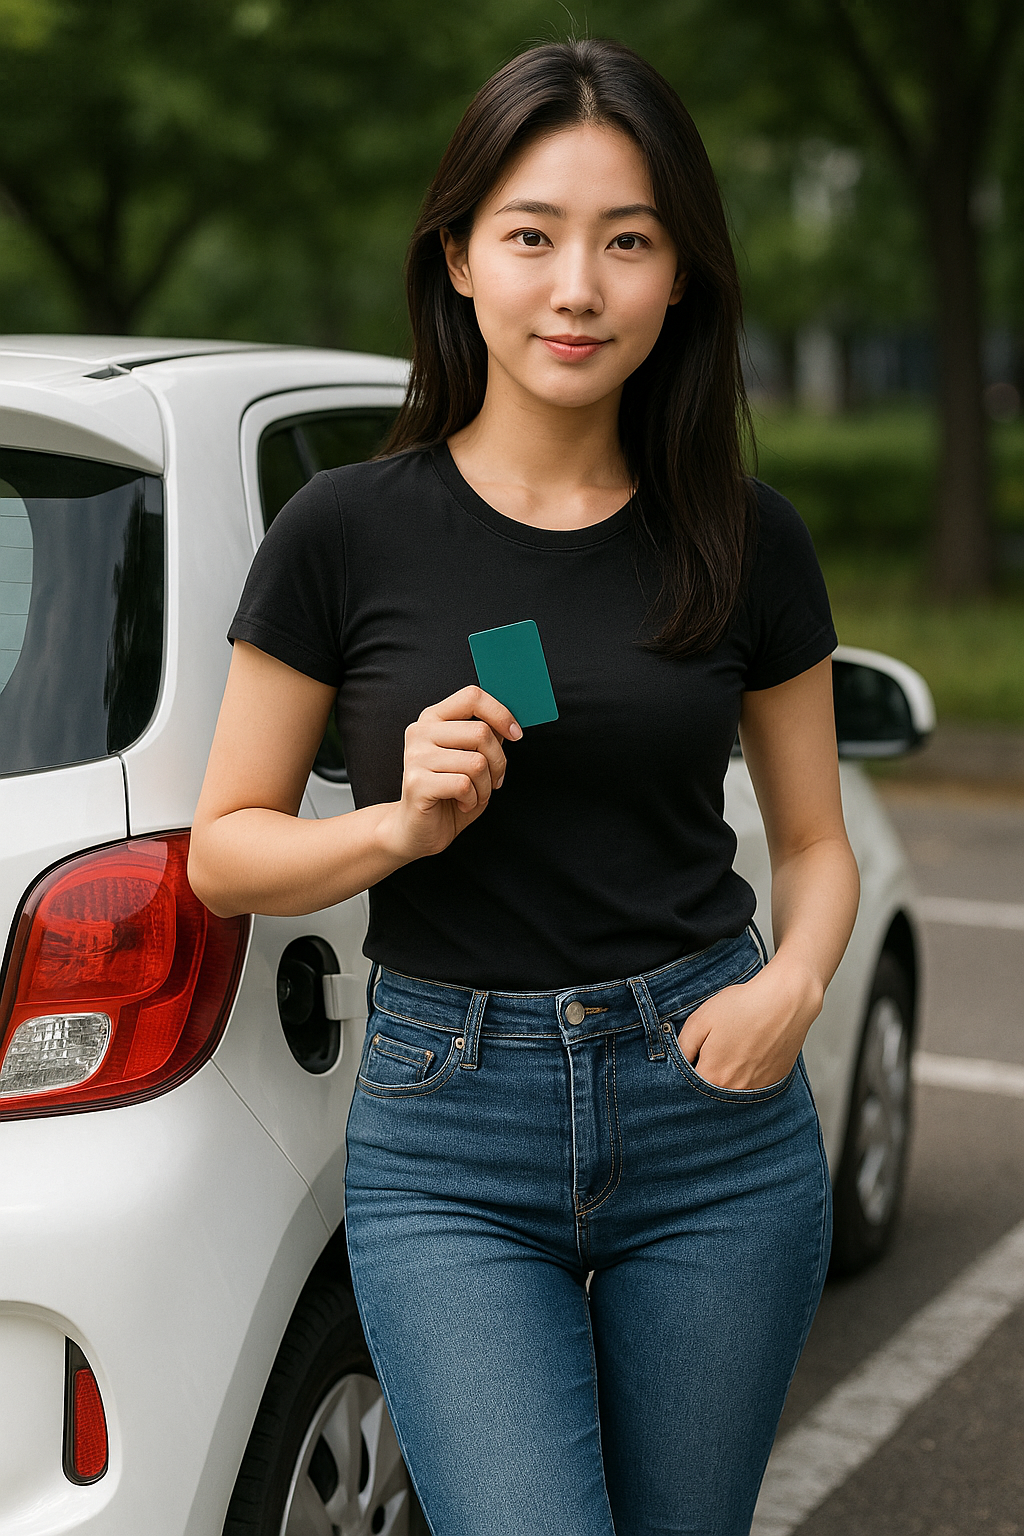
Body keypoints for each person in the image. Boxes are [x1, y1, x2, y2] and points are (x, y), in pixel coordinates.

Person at [188, 36, 860, 1536]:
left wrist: (796, 985)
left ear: (680, 275)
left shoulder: (748, 538)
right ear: (459, 260)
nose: (579, 287)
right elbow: (224, 855)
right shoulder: (343, 532)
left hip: (709, 1109)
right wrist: (391, 824)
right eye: (534, 237)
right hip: (449, 1126)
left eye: (628, 241)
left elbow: (817, 844)